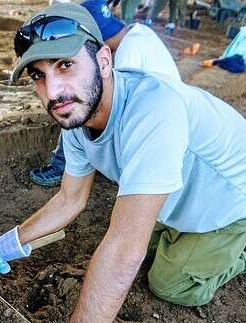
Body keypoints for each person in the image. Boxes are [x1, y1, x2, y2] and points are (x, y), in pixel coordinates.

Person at [0, 3, 246, 323]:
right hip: (176, 200)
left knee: (170, 284)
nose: (53, 91)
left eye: (66, 65)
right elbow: (69, 200)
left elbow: (125, 247)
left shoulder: (153, 107)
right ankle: (195, 240)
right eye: (38, 76)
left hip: (228, 201)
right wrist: (3, 248)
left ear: (104, 58)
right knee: (143, 247)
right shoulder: (76, 119)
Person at [30, 0, 181, 187]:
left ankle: (62, 166)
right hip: (164, 122)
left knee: (82, 100)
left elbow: (115, 103)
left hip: (158, 133)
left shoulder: (129, 52)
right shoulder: (138, 32)